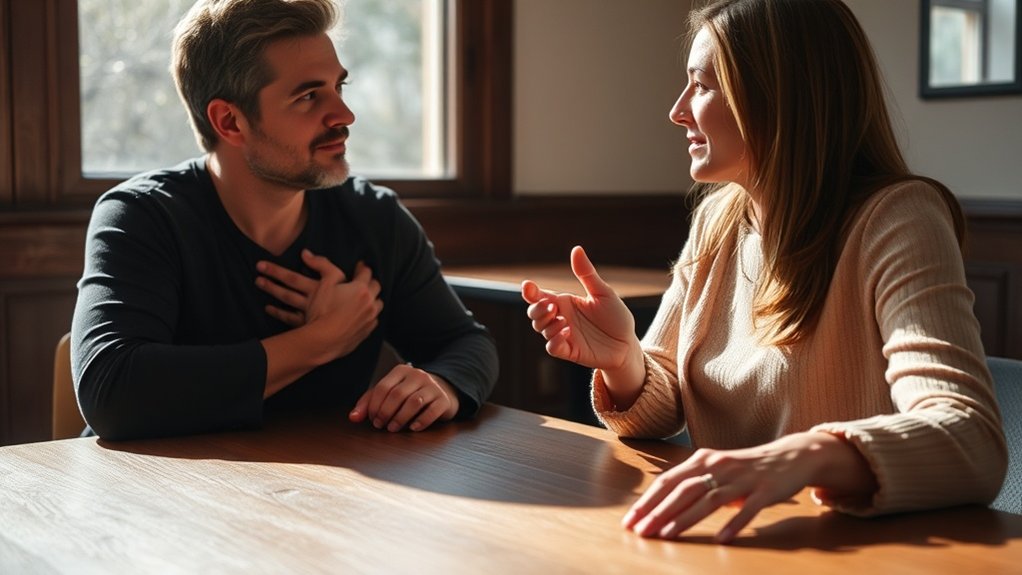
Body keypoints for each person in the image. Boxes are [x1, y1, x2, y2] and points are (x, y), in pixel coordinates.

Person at [522, 0, 1007, 545]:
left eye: (702, 86)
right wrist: (624, 360)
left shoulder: (898, 218)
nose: (677, 111)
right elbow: (659, 410)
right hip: (729, 540)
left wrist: (804, 456)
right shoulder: (718, 217)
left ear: (780, 97)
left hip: (849, 548)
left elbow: (972, 441)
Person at [71, 0, 498, 440]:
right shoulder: (142, 216)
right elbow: (112, 391)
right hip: (157, 496)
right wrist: (322, 340)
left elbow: (465, 344)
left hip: (320, 492)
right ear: (230, 121)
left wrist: (442, 386)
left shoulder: (375, 217)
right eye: (309, 96)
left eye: (339, 88)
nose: (345, 117)